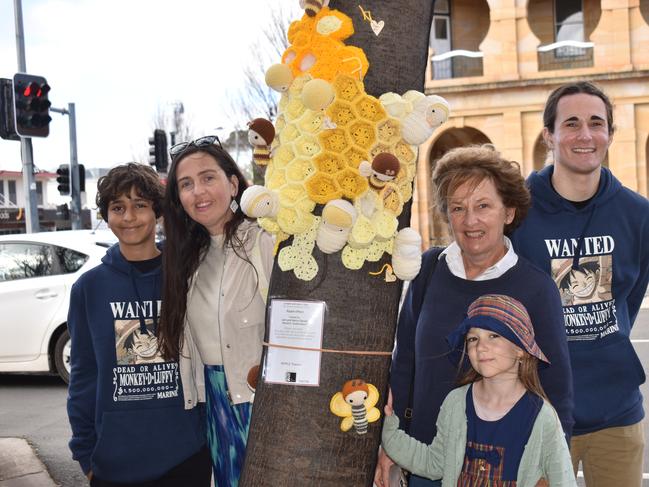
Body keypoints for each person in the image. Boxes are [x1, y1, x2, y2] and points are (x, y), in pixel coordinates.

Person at [375, 145, 573, 487]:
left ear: (508, 212)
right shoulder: (429, 270)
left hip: (505, 467)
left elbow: (556, 386)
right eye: (458, 208)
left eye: (483, 206)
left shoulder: (535, 287)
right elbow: (404, 359)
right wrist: (390, 444)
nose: (470, 220)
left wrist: (549, 468)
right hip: (427, 459)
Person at [511, 81, 649, 487]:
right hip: (537, 411)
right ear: (549, 135)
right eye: (571, 123)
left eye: (596, 123)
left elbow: (631, 293)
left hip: (617, 414)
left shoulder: (637, 214)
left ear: (610, 134)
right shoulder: (517, 212)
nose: (585, 135)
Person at [66, 163, 210, 487]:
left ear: (157, 212)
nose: (129, 217)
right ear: (106, 216)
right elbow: (84, 376)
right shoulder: (88, 288)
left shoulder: (185, 277)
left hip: (185, 457)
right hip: (113, 464)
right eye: (118, 207)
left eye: (140, 205)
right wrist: (86, 453)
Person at [157, 136, 274, 487]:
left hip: (259, 402)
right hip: (215, 402)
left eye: (208, 178)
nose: (198, 192)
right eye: (186, 184)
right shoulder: (189, 258)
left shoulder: (264, 240)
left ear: (233, 183)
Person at [382, 294, 576, 487]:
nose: (481, 347)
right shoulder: (456, 402)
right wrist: (388, 429)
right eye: (473, 339)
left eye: (494, 336)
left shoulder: (542, 416)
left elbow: (563, 480)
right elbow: (435, 463)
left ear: (520, 349)